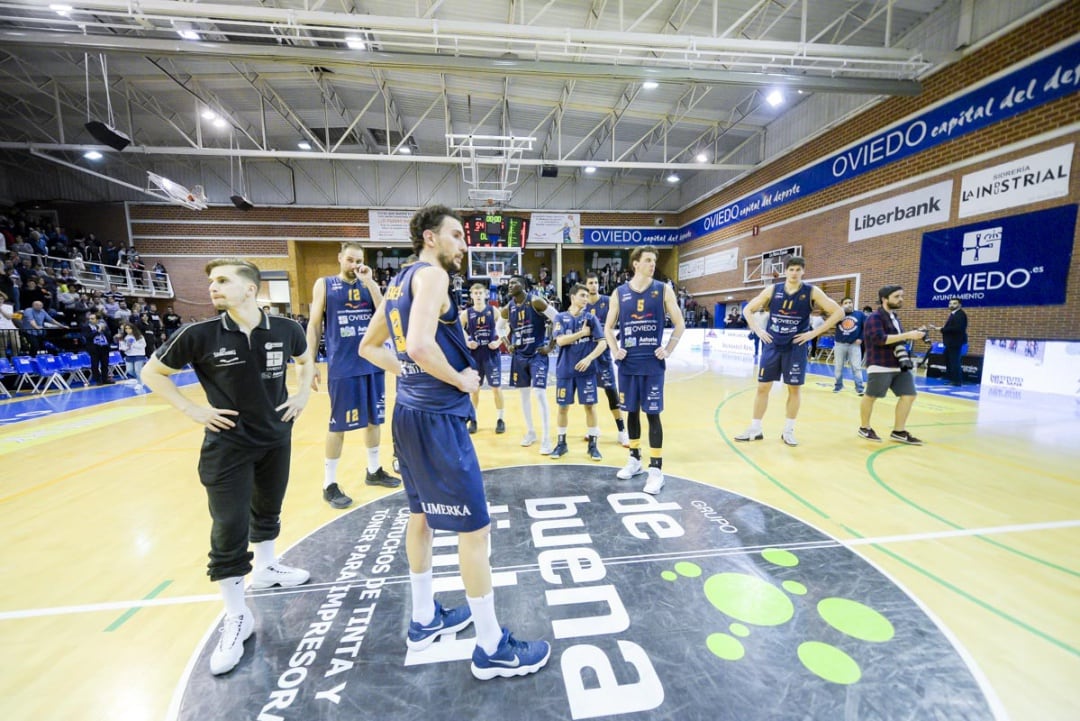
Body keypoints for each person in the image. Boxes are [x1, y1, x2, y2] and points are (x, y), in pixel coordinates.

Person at [358, 205, 550, 680]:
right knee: (475, 532)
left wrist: (407, 373)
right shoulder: (433, 278)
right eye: (456, 235)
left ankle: (423, 620)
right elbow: (421, 345)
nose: (464, 245)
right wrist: (460, 381)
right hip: (437, 419)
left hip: (408, 412)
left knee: (420, 517)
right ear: (430, 238)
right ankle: (491, 647)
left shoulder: (400, 280)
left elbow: (369, 345)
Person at [140, 258, 315, 676]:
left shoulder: (287, 329)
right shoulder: (198, 334)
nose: (213, 288)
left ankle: (268, 568)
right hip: (227, 447)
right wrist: (191, 409)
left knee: (268, 510)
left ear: (251, 289)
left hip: (276, 437)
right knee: (228, 527)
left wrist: (304, 393)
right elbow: (153, 372)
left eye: (223, 281)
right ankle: (238, 616)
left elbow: (306, 360)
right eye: (212, 282)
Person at [307, 241, 401, 510]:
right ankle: (329, 483)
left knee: (374, 420)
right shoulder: (324, 284)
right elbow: (314, 325)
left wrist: (371, 283)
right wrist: (311, 361)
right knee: (338, 426)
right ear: (339, 258)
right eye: (349, 260)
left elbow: (388, 313)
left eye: (358, 260)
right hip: (343, 365)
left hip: (373, 363)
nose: (354, 265)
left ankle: (373, 470)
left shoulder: (368, 285)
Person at [734, 257, 843, 446]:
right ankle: (755, 428)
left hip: (795, 347)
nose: (794, 273)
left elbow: (839, 312)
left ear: (803, 271)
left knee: (794, 389)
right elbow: (747, 310)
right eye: (791, 269)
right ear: (785, 271)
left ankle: (788, 431)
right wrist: (758, 330)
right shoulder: (773, 290)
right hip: (772, 344)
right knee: (762, 388)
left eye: (798, 269)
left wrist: (813, 333)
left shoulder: (811, 291)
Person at [604, 245, 686, 495]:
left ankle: (656, 470)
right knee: (630, 412)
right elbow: (608, 328)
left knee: (652, 414)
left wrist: (668, 349)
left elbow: (680, 324)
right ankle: (634, 459)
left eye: (654, 261)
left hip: (652, 363)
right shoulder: (619, 293)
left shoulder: (663, 290)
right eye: (648, 260)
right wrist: (615, 348)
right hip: (628, 363)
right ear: (635, 264)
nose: (652, 264)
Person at [858, 285, 926, 445]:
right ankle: (864, 427)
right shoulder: (874, 318)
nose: (900, 299)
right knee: (871, 396)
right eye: (896, 296)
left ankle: (899, 431)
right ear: (884, 299)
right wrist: (908, 335)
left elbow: (897, 338)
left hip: (899, 364)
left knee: (909, 395)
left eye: (901, 296)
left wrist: (913, 334)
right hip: (880, 364)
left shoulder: (894, 317)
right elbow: (879, 339)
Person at [550, 283, 608, 461]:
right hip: (565, 370)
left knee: (590, 407)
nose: (586, 299)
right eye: (583, 295)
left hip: (587, 371)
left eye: (587, 296)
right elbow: (559, 341)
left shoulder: (591, 318)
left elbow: (603, 342)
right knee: (563, 407)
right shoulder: (560, 317)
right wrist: (581, 334)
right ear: (572, 297)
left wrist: (589, 358)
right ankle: (562, 444)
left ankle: (593, 445)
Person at [502, 274, 557, 454]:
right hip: (519, 356)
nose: (510, 286)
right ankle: (531, 432)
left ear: (524, 285)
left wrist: (550, 345)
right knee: (524, 396)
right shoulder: (507, 309)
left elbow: (559, 320)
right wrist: (507, 344)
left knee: (539, 394)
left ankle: (547, 439)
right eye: (509, 283)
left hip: (537, 354)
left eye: (514, 282)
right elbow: (499, 328)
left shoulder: (536, 302)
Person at [584, 272, 628, 447]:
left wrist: (614, 342)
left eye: (595, 282)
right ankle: (593, 429)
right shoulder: (582, 305)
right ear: (585, 286)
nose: (594, 285)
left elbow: (623, 322)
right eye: (590, 283)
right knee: (589, 396)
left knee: (612, 393)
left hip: (603, 358)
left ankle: (622, 431)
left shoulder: (608, 301)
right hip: (588, 356)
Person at [460, 281, 506, 435]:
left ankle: (500, 419)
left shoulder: (493, 311)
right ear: (472, 295)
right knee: (475, 389)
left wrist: (499, 341)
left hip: (491, 354)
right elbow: (458, 329)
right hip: (475, 355)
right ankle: (473, 419)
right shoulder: (467, 313)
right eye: (476, 293)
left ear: (486, 295)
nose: (478, 296)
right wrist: (467, 341)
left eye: (481, 293)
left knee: (496, 387)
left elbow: (507, 326)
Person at [832, 297, 866, 395]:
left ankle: (859, 388)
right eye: (846, 303)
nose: (848, 304)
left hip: (854, 345)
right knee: (838, 367)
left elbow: (865, 327)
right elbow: (832, 323)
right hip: (840, 344)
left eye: (850, 302)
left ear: (853, 303)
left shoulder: (860, 314)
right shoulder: (838, 314)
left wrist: (861, 338)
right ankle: (838, 386)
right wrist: (840, 312)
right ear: (842, 305)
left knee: (856, 367)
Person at [940, 297, 968, 387]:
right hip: (950, 342)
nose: (951, 305)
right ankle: (950, 377)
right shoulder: (953, 314)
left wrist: (943, 329)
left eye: (954, 303)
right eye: (950, 303)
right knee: (948, 359)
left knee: (954, 361)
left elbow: (958, 328)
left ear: (959, 305)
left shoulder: (960, 315)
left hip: (955, 342)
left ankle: (957, 381)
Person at [83, 312, 113, 384]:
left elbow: (109, 335)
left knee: (105, 364)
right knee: (95, 365)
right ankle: (98, 380)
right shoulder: (86, 327)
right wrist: (97, 331)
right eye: (89, 318)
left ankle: (105, 379)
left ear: (97, 320)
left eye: (92, 319)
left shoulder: (103, 326)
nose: (90, 320)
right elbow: (88, 337)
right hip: (94, 348)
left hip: (104, 347)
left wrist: (104, 330)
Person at [116, 322, 147, 390]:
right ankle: (140, 379)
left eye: (129, 328)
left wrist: (133, 344)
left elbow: (143, 345)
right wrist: (125, 348)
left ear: (133, 329)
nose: (127, 330)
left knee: (137, 370)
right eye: (126, 328)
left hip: (139, 355)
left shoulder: (139, 336)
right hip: (129, 355)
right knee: (130, 370)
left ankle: (140, 383)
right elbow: (122, 347)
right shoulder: (124, 337)